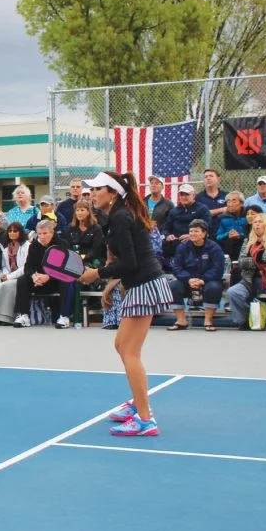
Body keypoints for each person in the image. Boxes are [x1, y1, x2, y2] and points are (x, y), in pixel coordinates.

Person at [79, 171, 172, 436]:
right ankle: (138, 403)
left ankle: (145, 419)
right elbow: (127, 260)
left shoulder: (120, 217)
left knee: (130, 353)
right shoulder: (117, 215)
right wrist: (110, 285)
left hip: (145, 285)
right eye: (91, 190)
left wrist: (97, 274)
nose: (92, 194)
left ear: (112, 193)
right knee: (121, 345)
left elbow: (130, 263)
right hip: (138, 284)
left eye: (97, 189)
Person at [12, 219, 72, 329]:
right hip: (38, 281)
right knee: (22, 280)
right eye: (39, 234)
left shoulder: (62, 244)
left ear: (52, 233)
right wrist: (34, 276)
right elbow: (28, 267)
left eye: (45, 233)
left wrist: (48, 277)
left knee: (66, 281)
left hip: (56, 280)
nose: (42, 237)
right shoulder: (34, 245)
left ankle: (64, 316)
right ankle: (23, 315)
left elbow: (64, 268)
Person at [167, 220, 225, 332]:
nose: (192, 234)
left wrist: (202, 280)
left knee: (214, 287)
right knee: (172, 286)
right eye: (191, 231)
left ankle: (208, 321)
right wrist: (189, 279)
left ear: (204, 234)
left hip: (208, 281)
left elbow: (217, 269)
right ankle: (181, 321)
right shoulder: (182, 247)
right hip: (188, 280)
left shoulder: (214, 247)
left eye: (196, 231)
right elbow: (177, 267)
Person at [225, 213, 266, 330]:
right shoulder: (248, 241)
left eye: (260, 222)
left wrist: (256, 258)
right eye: (255, 222)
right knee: (233, 292)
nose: (257, 225)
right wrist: (258, 259)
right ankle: (243, 320)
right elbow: (241, 262)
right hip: (250, 280)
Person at [161, 184, 212, 259]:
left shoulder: (202, 209)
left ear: (193, 195)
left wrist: (192, 236)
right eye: (181, 194)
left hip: (195, 241)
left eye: (187, 194)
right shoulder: (174, 211)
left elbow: (207, 228)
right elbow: (165, 229)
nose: (184, 197)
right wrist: (168, 236)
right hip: (177, 242)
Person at [67, 201, 106, 267]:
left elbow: (96, 249)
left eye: (82, 210)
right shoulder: (71, 227)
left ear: (88, 212)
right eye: (77, 210)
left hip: (92, 259)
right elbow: (69, 246)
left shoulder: (96, 228)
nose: (79, 213)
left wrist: (83, 258)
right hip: (75, 259)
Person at [215, 191, 248, 262]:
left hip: (245, 248)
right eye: (228, 201)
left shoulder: (248, 215)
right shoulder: (222, 217)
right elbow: (218, 236)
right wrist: (228, 234)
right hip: (228, 248)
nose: (230, 204)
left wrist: (240, 235)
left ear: (241, 203)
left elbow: (253, 234)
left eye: (234, 201)